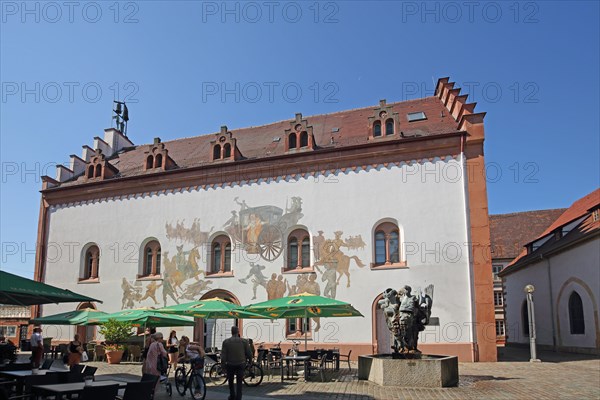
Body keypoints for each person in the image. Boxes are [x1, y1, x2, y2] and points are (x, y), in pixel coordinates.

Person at [221, 326, 252, 400]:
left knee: (230, 381)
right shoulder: (244, 341)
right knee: (239, 382)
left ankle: (232, 395)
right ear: (238, 332)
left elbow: (223, 356)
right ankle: (238, 397)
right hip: (241, 363)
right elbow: (249, 354)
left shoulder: (226, 342)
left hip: (230, 364)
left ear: (231, 332)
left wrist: (223, 366)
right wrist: (250, 362)